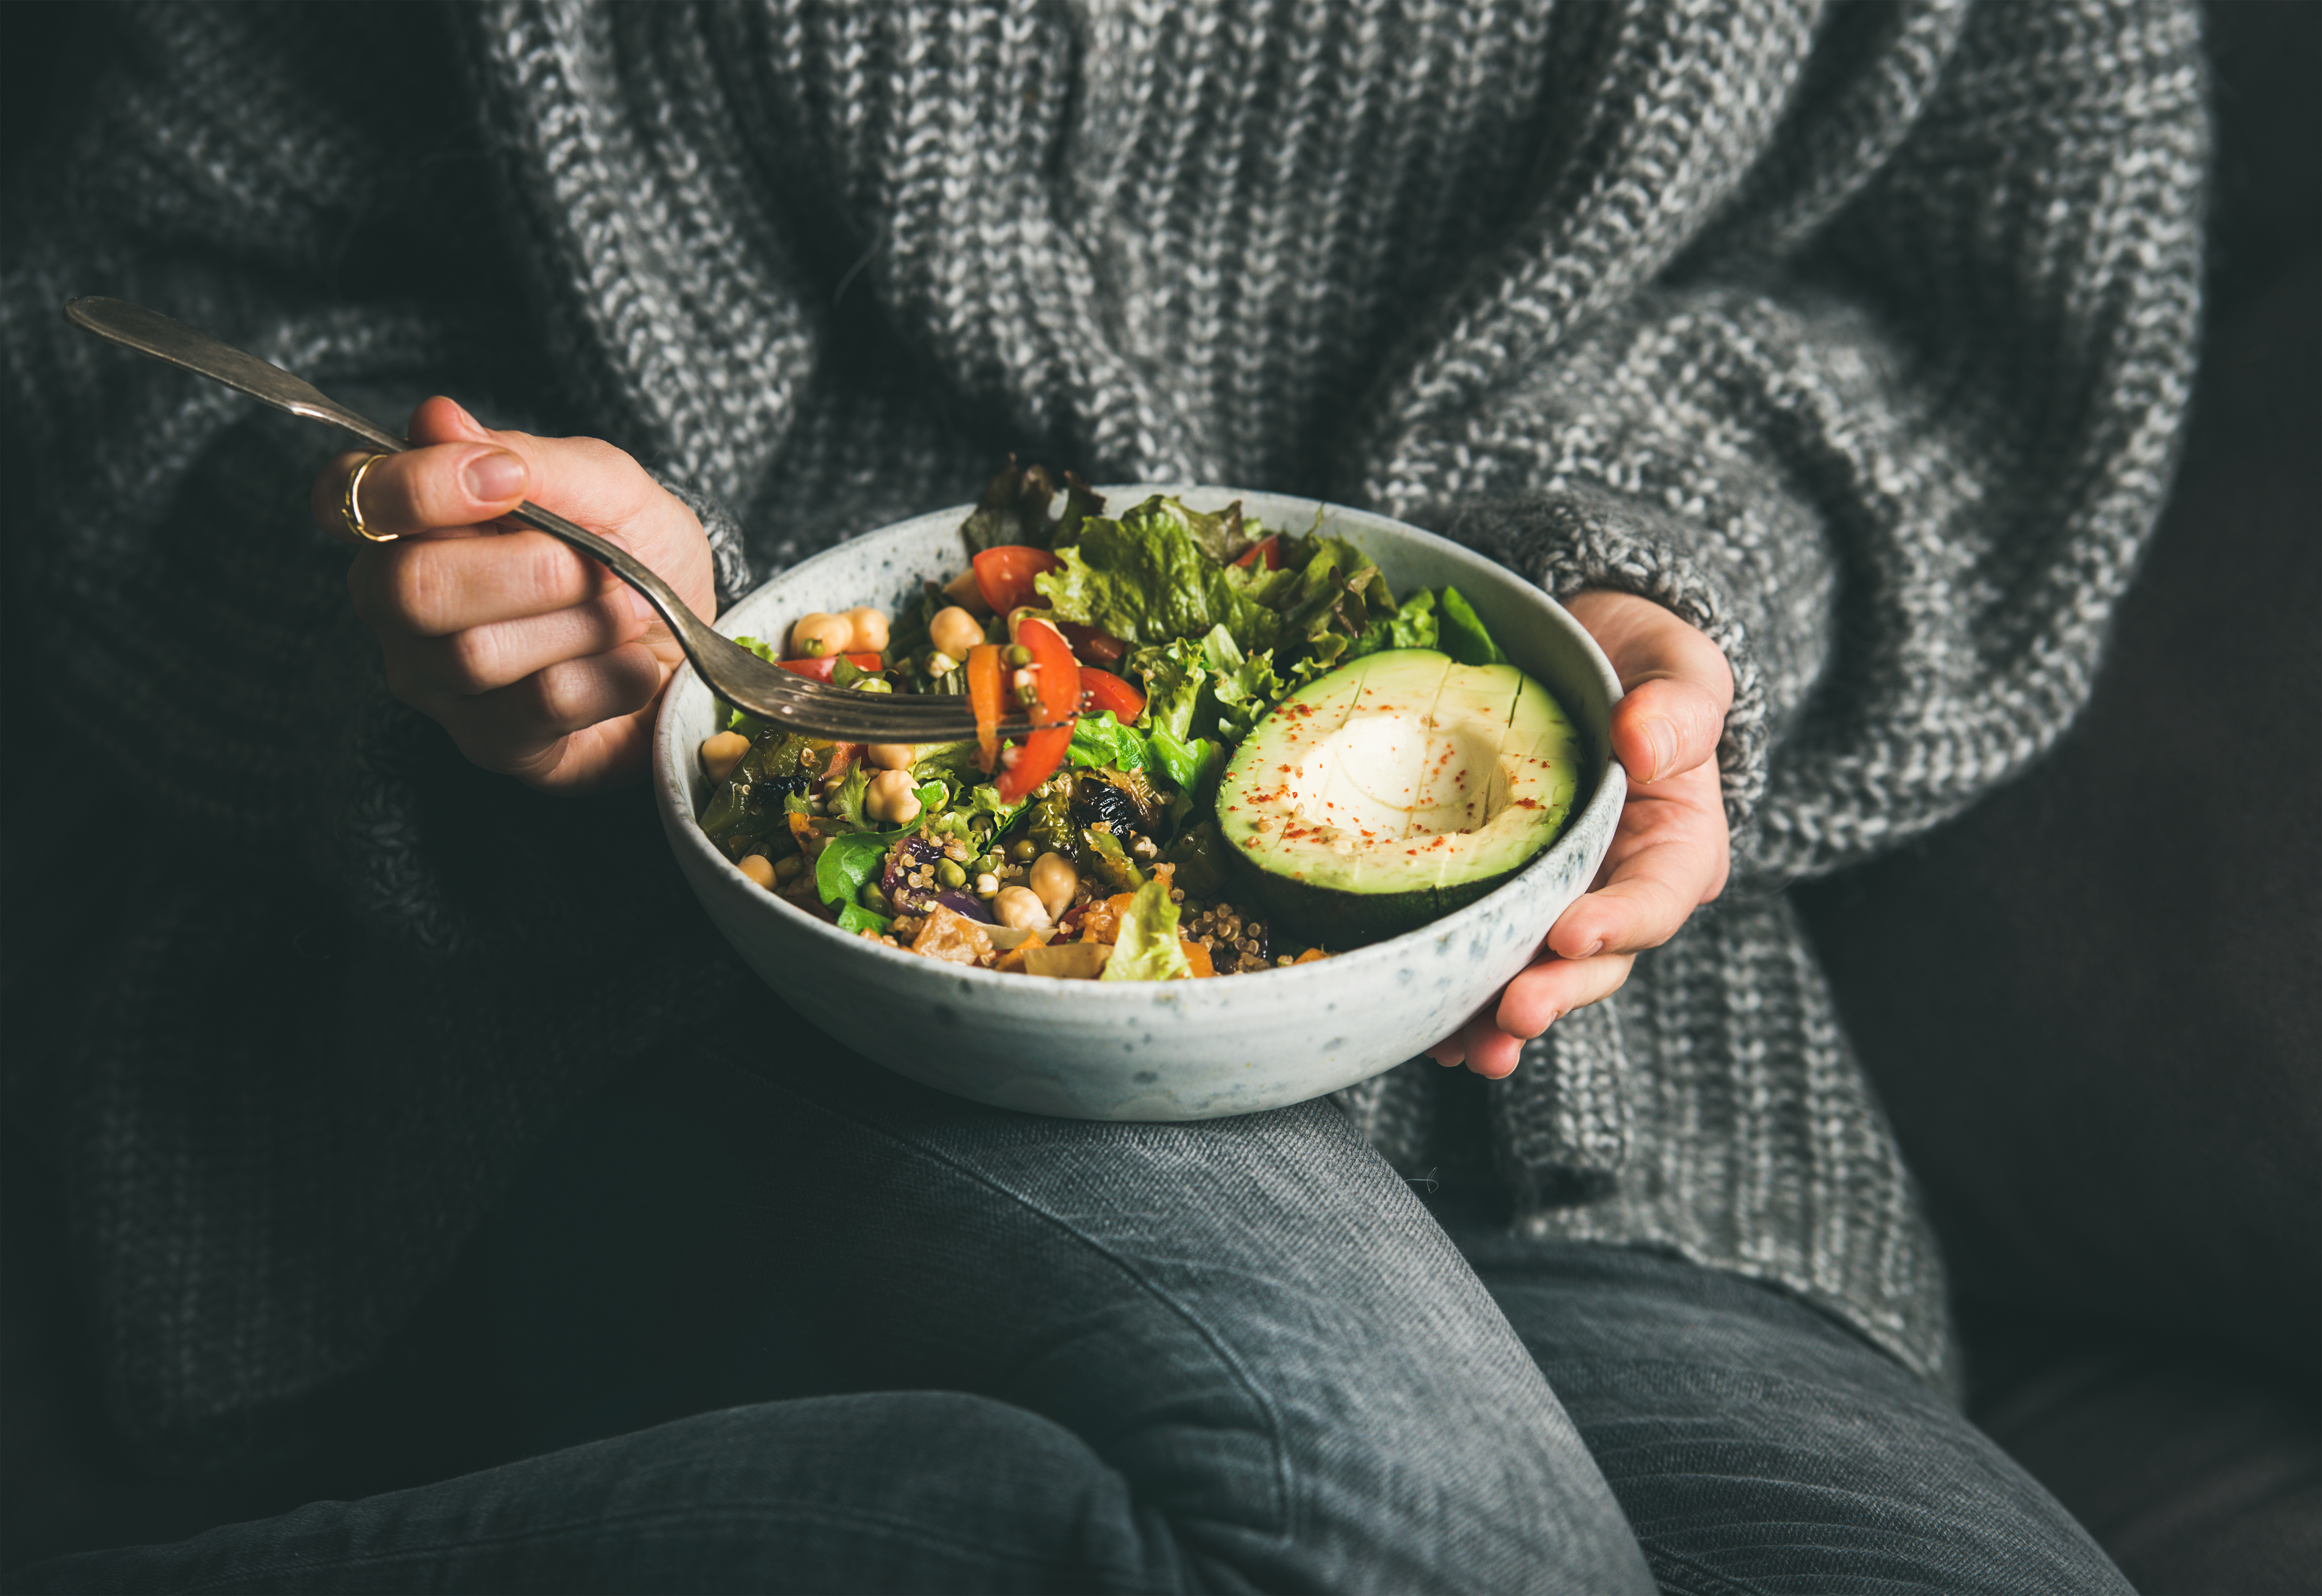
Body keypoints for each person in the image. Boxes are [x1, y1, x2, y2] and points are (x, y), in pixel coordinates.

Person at [0, 0, 2204, 1589]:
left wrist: (1661, 602)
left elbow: (1971, 305)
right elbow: (154, 308)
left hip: (1603, 1092)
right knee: (1395, 1545)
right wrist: (454, 592)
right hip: (698, 982)